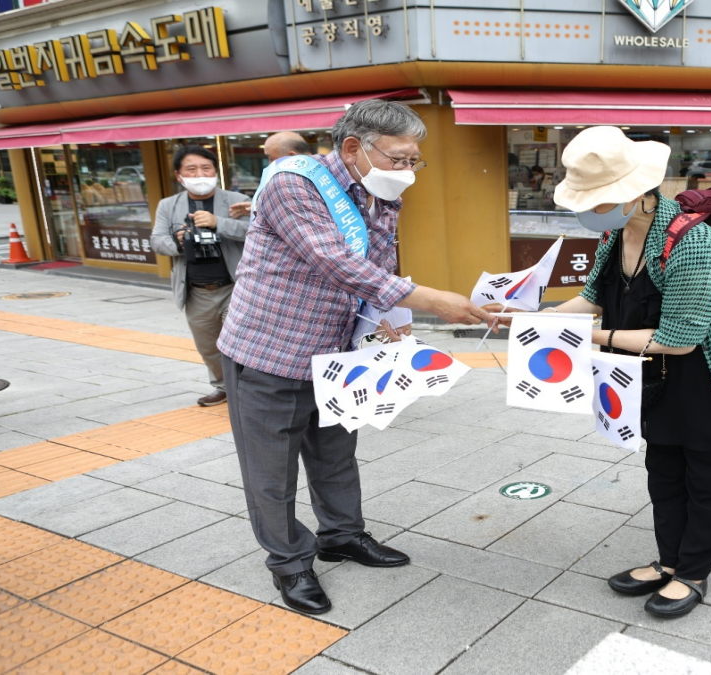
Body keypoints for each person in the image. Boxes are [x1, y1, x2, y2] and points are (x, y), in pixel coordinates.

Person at [505, 126, 711, 619]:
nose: (587, 209)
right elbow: (591, 298)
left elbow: (679, 338)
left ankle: (693, 571)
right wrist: (534, 320)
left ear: (634, 193)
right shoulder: (615, 233)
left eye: (596, 199)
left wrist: (589, 337)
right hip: (655, 375)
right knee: (664, 471)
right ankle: (669, 561)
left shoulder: (691, 241)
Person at [217, 99, 496, 616]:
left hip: (339, 354)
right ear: (353, 148)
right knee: (270, 471)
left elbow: (380, 269)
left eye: (414, 160)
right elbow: (336, 262)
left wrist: (390, 334)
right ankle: (289, 563)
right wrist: (432, 300)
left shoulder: (376, 191)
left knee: (335, 455)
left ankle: (342, 535)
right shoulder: (292, 184)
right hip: (271, 351)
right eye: (399, 158)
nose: (407, 171)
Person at [150, 146, 250, 407]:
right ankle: (222, 386)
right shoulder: (168, 205)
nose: (200, 174)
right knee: (208, 346)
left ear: (216, 171)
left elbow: (255, 231)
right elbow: (157, 241)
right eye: (191, 169)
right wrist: (178, 242)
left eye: (206, 168)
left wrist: (218, 223)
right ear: (179, 175)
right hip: (196, 291)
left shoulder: (237, 200)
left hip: (234, 287)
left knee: (238, 343)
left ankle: (246, 390)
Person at [229, 131, 313, 218]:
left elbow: (300, 216)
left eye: (271, 158)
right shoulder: (314, 172)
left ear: (291, 157)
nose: (269, 164)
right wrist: (259, 208)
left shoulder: (294, 183)